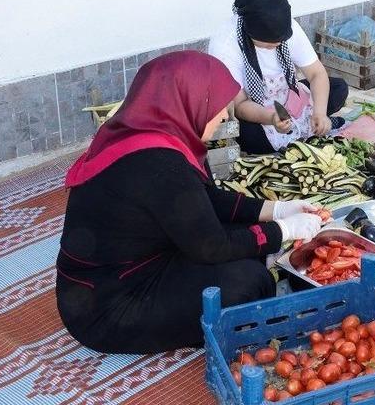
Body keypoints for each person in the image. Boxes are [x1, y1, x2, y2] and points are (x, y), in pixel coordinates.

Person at [56, 51, 324, 354]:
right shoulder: (159, 163)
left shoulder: (146, 133)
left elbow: (203, 200)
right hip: (107, 309)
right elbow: (211, 246)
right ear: (188, 99)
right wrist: (282, 231)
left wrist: (275, 210)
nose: (225, 116)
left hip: (132, 268)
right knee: (250, 280)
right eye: (220, 107)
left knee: (247, 247)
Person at [209, 0, 349, 154]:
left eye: (280, 40)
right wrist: (272, 118)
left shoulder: (286, 26)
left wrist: (319, 112)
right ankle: (304, 129)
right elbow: (239, 105)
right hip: (255, 108)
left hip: (286, 95)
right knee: (250, 137)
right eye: (269, 43)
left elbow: (317, 74)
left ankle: (315, 123)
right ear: (251, 32)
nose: (277, 44)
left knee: (338, 88)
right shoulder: (226, 46)